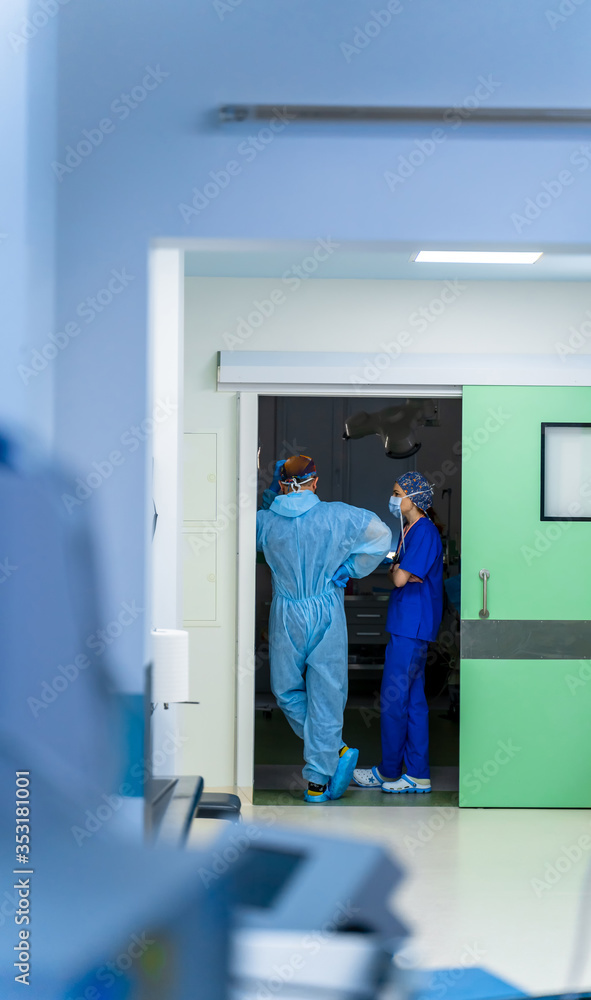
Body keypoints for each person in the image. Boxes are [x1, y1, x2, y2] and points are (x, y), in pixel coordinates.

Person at [256, 455, 392, 803]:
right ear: (315, 482)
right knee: (328, 693)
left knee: (285, 691)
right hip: (327, 607)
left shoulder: (265, 522)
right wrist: (350, 568)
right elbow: (381, 535)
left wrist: (270, 500)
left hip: (287, 611)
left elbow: (239, 540)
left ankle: (325, 770)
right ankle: (327, 763)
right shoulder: (338, 515)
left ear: (283, 483)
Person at [353, 471, 443, 794]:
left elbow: (401, 578)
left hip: (412, 627)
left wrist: (397, 570)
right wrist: (399, 569)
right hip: (409, 625)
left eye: (397, 492)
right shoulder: (409, 531)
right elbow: (402, 573)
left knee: (394, 700)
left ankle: (390, 770)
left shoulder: (424, 533)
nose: (393, 498)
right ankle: (417, 773)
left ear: (414, 497)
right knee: (414, 701)